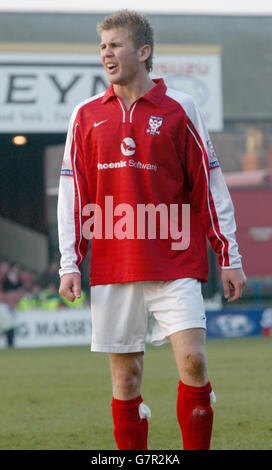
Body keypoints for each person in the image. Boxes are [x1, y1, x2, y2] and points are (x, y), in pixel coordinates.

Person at [58, 10, 246, 450]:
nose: (107, 52)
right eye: (103, 45)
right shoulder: (84, 116)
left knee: (194, 361)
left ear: (143, 52)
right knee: (126, 377)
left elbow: (209, 185)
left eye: (116, 44)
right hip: (114, 264)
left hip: (176, 258)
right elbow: (73, 193)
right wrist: (70, 261)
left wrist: (230, 257)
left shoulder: (182, 108)